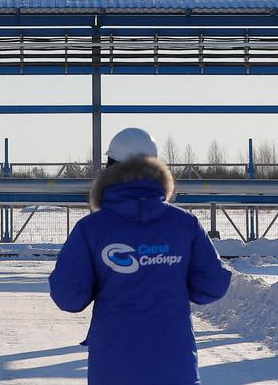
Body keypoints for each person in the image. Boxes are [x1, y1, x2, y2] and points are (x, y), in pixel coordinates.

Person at [49, 127, 232, 385]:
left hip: (113, 369)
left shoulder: (91, 229)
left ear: (109, 167)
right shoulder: (184, 224)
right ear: (157, 167)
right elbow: (213, 283)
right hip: (175, 367)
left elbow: (68, 296)